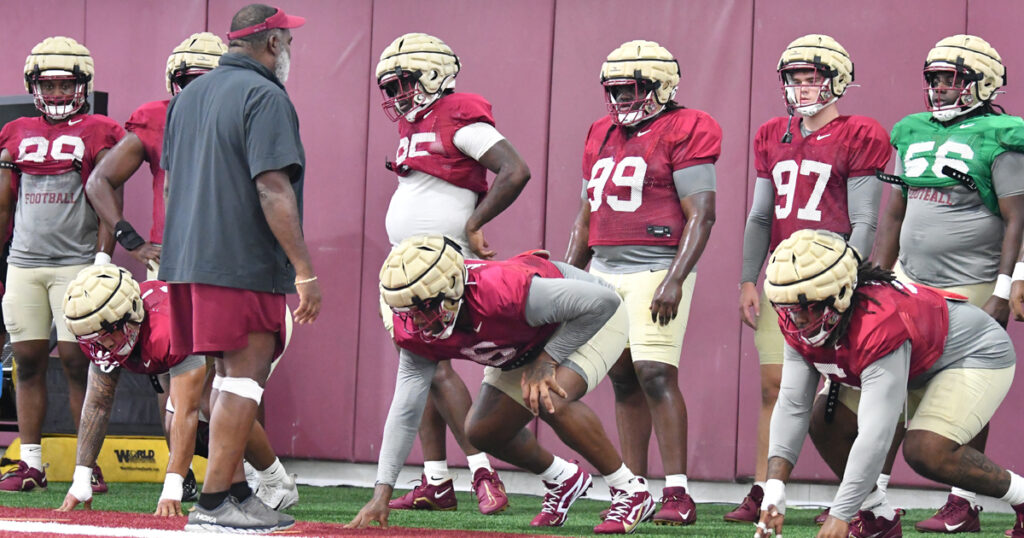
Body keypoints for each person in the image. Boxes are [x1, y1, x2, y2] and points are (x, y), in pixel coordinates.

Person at [348, 235, 655, 534]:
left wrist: (547, 361)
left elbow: (601, 302)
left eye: (426, 308)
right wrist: (382, 492)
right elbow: (405, 410)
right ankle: (562, 478)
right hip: (526, 341)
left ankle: (629, 489)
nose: (418, 322)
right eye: (409, 312)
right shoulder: (415, 330)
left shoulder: (501, 291)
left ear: (453, 286)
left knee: (548, 395)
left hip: (588, 320)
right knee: (482, 431)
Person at [161, 4, 320, 533]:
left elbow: (172, 180)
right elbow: (272, 187)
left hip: (185, 259)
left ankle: (234, 490)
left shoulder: (187, 98)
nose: (291, 50)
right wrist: (304, 269)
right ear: (272, 44)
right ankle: (212, 507)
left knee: (224, 378)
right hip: (241, 259)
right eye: (288, 41)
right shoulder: (266, 95)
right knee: (244, 377)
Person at [753, 229, 1024, 538]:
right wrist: (774, 488)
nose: (796, 321)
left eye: (805, 308)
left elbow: (875, 435)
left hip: (972, 351)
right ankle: (878, 515)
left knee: (926, 450)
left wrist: (841, 513)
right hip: (913, 360)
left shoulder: (877, 320)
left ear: (839, 294)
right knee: (824, 421)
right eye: (788, 309)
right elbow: (792, 404)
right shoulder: (799, 321)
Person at [731, 34, 890, 524]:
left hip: (837, 282)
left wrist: (846, 274)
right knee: (774, 386)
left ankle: (857, 498)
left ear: (837, 79)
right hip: (782, 279)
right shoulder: (771, 133)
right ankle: (764, 488)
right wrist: (747, 279)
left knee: (850, 397)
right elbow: (761, 217)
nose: (803, 86)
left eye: (812, 76)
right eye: (795, 77)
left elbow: (866, 219)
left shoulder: (860, 133)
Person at [870, 33, 1024, 534]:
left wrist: (1006, 285)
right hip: (913, 281)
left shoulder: (1001, 133)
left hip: (975, 281)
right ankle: (876, 498)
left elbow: (1017, 217)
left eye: (953, 79)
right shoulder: (912, 131)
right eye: (935, 79)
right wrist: (881, 274)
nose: (940, 88)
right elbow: (895, 212)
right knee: (913, 389)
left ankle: (965, 501)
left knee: (963, 390)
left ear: (984, 82)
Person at [373, 32, 531, 515]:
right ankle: (437, 479)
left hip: (438, 263)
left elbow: (515, 170)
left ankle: (482, 468)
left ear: (436, 75)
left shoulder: (458, 112)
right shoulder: (416, 124)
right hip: (406, 262)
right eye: (392, 85)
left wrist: (476, 224)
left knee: (432, 365)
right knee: (419, 367)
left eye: (405, 82)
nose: (398, 94)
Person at [565, 39, 719, 526]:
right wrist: (570, 276)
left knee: (656, 373)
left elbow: (703, 213)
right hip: (605, 271)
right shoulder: (599, 131)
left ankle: (677, 491)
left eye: (632, 89)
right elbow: (586, 214)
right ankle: (632, 487)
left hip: (656, 267)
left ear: (662, 87)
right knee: (622, 378)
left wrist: (676, 277)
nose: (622, 99)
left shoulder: (688, 127)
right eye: (614, 89)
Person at [84, 30, 226, 506]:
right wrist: (131, 239)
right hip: (171, 260)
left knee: (234, 377)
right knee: (174, 379)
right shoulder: (154, 120)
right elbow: (100, 181)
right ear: (173, 81)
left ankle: (246, 477)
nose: (199, 89)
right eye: (190, 79)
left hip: (230, 261)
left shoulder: (245, 116)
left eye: (210, 80)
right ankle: (180, 476)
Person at [55, 265, 299, 515]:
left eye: (105, 336)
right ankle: (247, 478)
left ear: (131, 315)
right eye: (92, 339)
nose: (101, 347)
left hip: (249, 321)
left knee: (216, 406)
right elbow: (97, 404)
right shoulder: (106, 332)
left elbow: (187, 410)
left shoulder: (167, 326)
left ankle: (276, 483)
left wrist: (172, 488)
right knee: (176, 423)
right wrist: (81, 478)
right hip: (211, 330)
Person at [0, 36, 125, 494]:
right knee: (27, 361)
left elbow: (112, 199)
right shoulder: (13, 132)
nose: (54, 94)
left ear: (83, 85)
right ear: (33, 86)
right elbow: (3, 207)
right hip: (24, 263)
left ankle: (85, 464)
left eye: (63, 85)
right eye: (47, 85)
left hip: (76, 263)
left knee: (77, 362)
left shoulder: (103, 130)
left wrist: (101, 260)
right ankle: (29, 462)